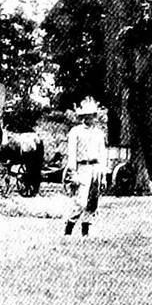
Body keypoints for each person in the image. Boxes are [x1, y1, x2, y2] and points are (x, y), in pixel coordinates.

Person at [63, 98, 107, 238]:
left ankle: (85, 231)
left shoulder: (99, 133)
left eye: (92, 115)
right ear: (83, 117)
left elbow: (102, 154)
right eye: (87, 115)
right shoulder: (75, 132)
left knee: (92, 202)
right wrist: (73, 172)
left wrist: (103, 175)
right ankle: (69, 229)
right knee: (81, 201)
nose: (90, 118)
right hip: (82, 168)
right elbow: (72, 154)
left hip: (96, 168)